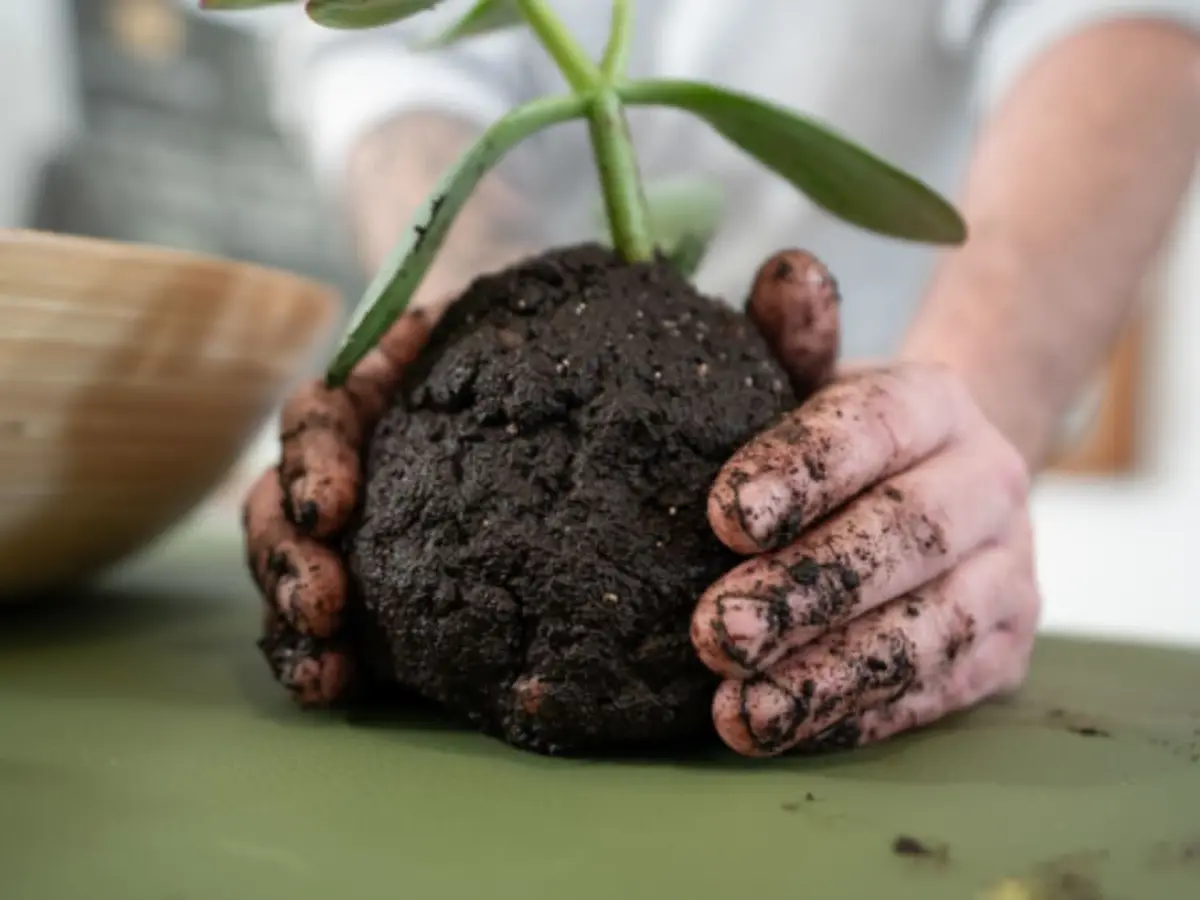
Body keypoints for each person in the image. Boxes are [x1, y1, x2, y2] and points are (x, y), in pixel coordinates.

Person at [242, 0, 1200, 757]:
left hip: (841, 393)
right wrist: (465, 321)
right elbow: (393, 47)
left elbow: (1117, 30)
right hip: (533, 304)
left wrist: (948, 423)